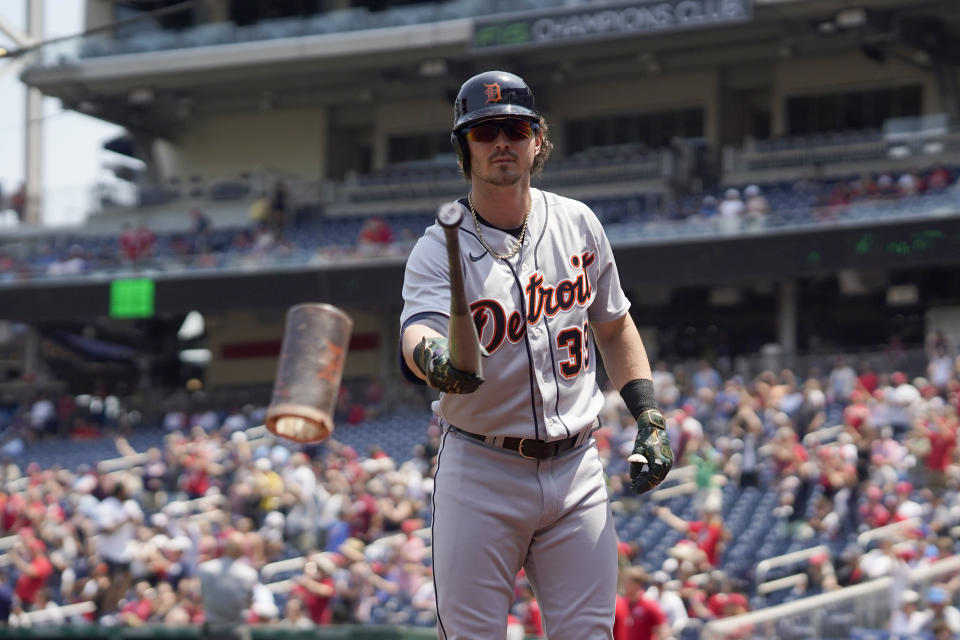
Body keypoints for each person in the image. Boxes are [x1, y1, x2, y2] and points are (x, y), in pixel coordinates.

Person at [399, 70, 673, 639]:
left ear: (537, 139)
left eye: (516, 129)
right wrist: (434, 361)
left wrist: (648, 413)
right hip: (482, 468)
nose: (503, 141)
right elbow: (417, 332)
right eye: (485, 131)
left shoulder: (577, 222)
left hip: (576, 468)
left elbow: (616, 326)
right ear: (462, 148)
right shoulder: (436, 247)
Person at [198, 531, 260, 640]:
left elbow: (200, 596)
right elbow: (249, 604)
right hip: (235, 630)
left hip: (214, 629)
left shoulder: (205, 569)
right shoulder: (249, 574)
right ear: (242, 550)